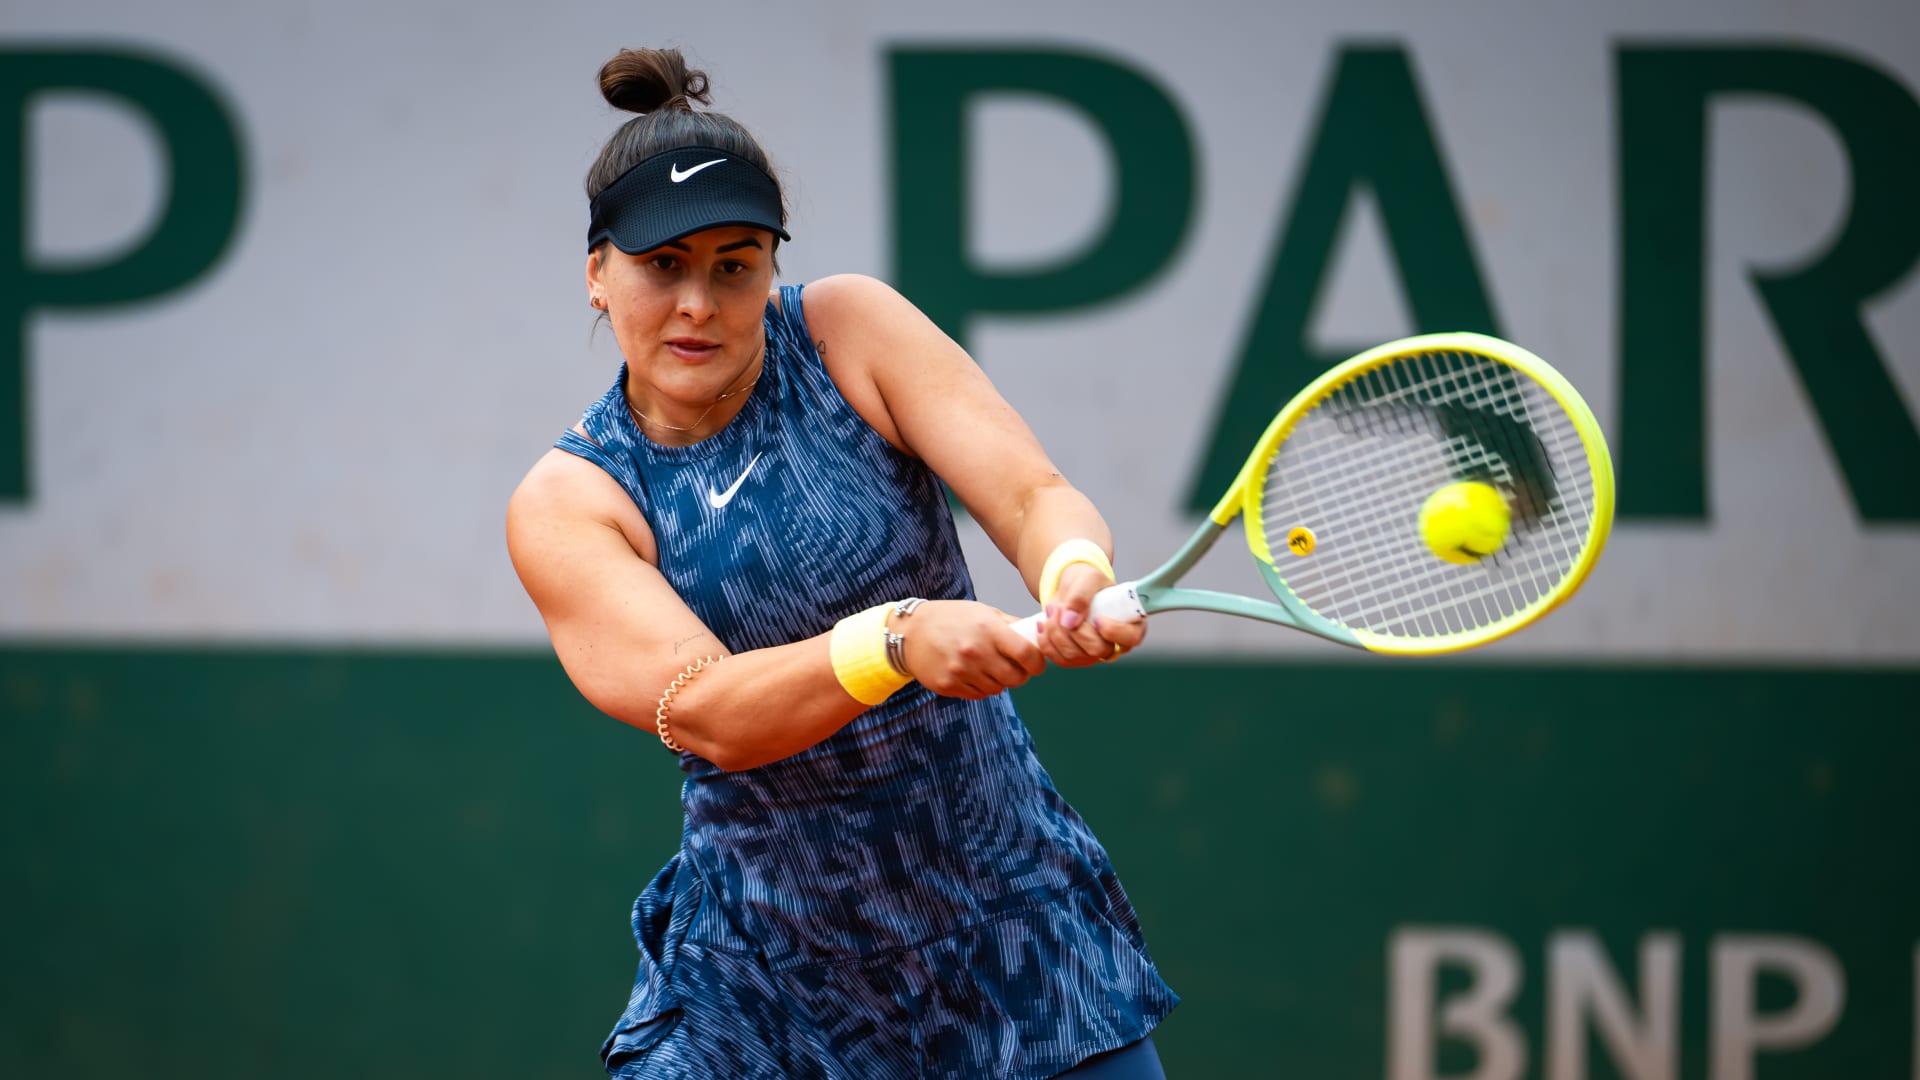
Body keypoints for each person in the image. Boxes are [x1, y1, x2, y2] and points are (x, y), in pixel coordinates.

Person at [506, 46, 1177, 1079]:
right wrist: (896, 641)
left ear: (771, 266)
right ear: (598, 274)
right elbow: (710, 712)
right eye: (662, 265)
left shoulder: (849, 331)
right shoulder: (573, 501)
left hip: (1013, 937)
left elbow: (1033, 497)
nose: (699, 302)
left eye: (735, 264)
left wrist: (1072, 567)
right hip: (764, 993)